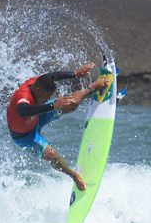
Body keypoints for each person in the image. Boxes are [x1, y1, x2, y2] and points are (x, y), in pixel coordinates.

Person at [6, 62, 109, 190]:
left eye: (47, 98)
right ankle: (74, 176)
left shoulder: (38, 82)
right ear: (36, 89)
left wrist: (75, 74)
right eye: (44, 97)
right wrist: (52, 105)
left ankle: (91, 88)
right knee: (52, 155)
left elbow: (51, 76)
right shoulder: (23, 97)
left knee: (71, 103)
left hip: (37, 118)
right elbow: (23, 110)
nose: (45, 99)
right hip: (24, 136)